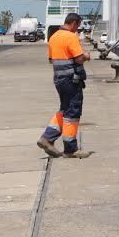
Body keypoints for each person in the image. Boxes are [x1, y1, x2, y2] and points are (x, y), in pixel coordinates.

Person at [37, 13, 92, 158]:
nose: (77, 29)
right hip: (71, 80)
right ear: (73, 23)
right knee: (72, 112)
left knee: (65, 108)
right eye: (78, 26)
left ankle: (47, 138)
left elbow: (51, 60)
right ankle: (70, 149)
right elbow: (79, 59)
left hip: (59, 79)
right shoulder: (70, 37)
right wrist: (86, 55)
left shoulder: (54, 37)